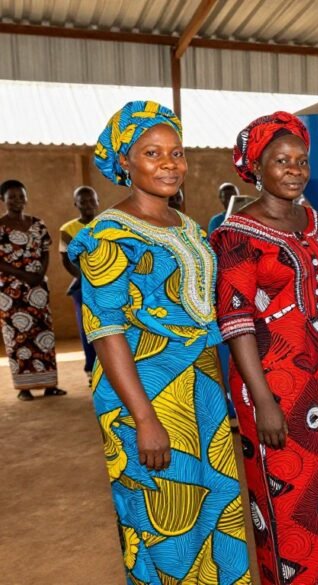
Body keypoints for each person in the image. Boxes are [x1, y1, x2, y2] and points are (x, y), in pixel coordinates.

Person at [66, 101, 251, 582]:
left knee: (215, 513)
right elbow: (106, 335)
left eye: (177, 152)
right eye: (152, 153)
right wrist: (144, 419)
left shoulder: (188, 228)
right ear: (124, 162)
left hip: (202, 394)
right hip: (148, 396)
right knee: (168, 522)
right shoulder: (107, 234)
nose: (170, 164)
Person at [211, 112, 318, 584]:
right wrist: (262, 402)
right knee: (286, 500)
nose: (294, 169)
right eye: (281, 161)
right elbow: (235, 323)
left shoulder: (314, 221)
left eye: (301, 160)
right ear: (256, 167)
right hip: (270, 383)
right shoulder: (236, 234)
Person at [0, 179, 64, 401]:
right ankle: (24, 389)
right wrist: (23, 275)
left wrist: (39, 275)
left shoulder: (38, 224)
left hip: (38, 288)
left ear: (26, 198)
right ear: (3, 200)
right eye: (12, 197)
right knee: (18, 336)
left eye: (21, 196)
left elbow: (45, 251)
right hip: (11, 291)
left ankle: (49, 385)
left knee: (43, 334)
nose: (17, 200)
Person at [60, 185, 100, 378]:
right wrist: (87, 279)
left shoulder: (108, 225)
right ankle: (91, 370)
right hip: (83, 286)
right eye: (82, 201)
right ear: (75, 204)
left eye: (91, 200)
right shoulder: (68, 230)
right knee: (88, 330)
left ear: (98, 202)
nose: (87, 204)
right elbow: (66, 261)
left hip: (108, 285)